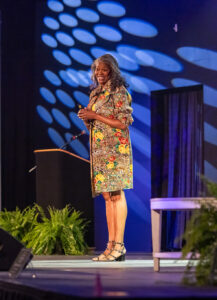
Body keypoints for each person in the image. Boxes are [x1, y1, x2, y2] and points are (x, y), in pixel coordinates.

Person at [78, 54, 133, 261]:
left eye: (103, 69)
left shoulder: (119, 92)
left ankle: (119, 246)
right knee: (107, 197)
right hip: (100, 152)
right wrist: (86, 117)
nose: (99, 73)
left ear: (112, 70)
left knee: (117, 195)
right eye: (96, 70)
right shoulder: (95, 94)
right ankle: (110, 247)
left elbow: (123, 122)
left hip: (116, 152)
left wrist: (95, 116)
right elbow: (94, 125)